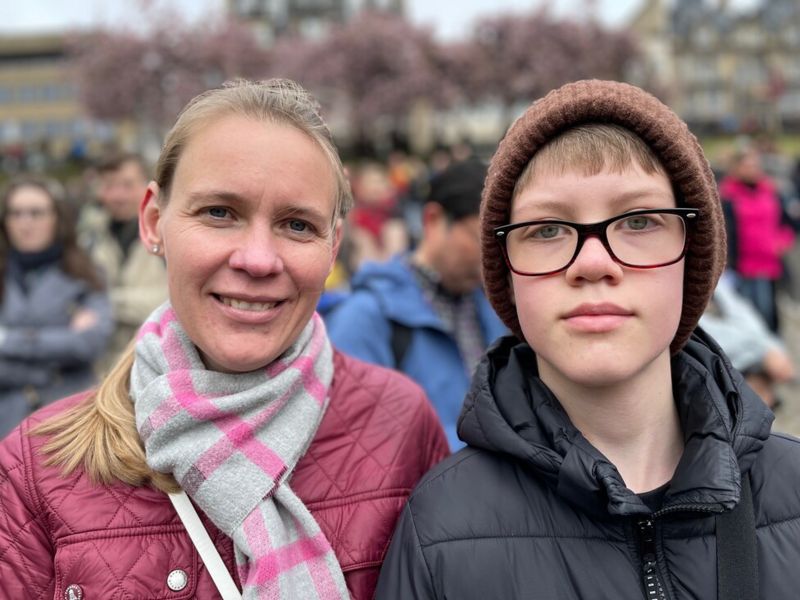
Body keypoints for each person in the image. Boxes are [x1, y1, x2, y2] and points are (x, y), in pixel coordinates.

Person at [0, 79, 448, 599]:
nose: (257, 259)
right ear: (153, 222)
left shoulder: (400, 425)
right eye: (219, 213)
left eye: (297, 225)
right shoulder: (37, 467)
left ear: (334, 247)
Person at [375, 80, 800, 599]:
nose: (593, 263)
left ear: (693, 259)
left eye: (639, 221)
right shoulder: (437, 533)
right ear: (506, 275)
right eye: (548, 229)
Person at [325, 159, 507, 449]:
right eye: (481, 240)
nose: (495, 260)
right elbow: (352, 443)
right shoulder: (365, 317)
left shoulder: (491, 308)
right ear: (434, 220)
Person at [0, 176, 112, 438]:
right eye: (16, 213)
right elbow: (73, 344)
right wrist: (55, 363)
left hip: (67, 421)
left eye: (36, 213)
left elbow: (89, 343)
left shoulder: (86, 273)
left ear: (56, 218)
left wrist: (6, 339)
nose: (25, 222)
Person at [78, 152, 168, 373]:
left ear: (148, 188)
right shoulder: (87, 239)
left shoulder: (167, 235)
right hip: (102, 372)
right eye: (109, 186)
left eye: (127, 185)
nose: (118, 195)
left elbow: (167, 303)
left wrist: (103, 305)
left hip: (157, 367)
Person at [719, 146, 794, 332]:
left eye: (754, 164)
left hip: (769, 263)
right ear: (736, 168)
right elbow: (724, 229)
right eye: (746, 165)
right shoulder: (727, 195)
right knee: (746, 314)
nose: (751, 169)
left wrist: (781, 242)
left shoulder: (771, 191)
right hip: (742, 265)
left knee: (768, 312)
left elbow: (788, 223)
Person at [700, 272, 795, 409]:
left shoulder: (725, 366)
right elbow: (734, 304)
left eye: (759, 397)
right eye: (765, 392)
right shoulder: (761, 341)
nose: (759, 392)